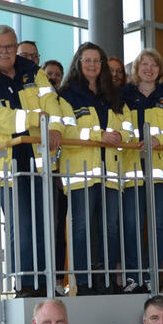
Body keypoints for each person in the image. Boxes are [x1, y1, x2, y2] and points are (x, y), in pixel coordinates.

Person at [0, 24, 63, 297]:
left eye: (10, 47)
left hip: (39, 162)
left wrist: (54, 126)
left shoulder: (33, 71)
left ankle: (46, 283)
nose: (5, 52)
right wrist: (36, 119)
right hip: (7, 166)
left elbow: (52, 103)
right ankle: (24, 285)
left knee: (46, 224)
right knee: (20, 227)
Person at [55, 42, 126, 296]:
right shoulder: (66, 95)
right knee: (82, 227)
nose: (93, 65)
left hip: (111, 172)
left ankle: (107, 279)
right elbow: (67, 130)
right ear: (78, 63)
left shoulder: (113, 95)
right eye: (87, 60)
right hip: (80, 172)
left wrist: (119, 135)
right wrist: (100, 135)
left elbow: (126, 128)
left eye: (97, 60)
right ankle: (83, 282)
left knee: (111, 227)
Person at [122, 48, 163, 292]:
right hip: (131, 171)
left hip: (160, 171)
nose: (149, 68)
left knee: (159, 225)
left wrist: (161, 139)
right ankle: (132, 276)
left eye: (153, 65)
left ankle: (151, 275)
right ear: (137, 69)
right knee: (131, 224)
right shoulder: (124, 97)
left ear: (160, 70)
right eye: (144, 64)